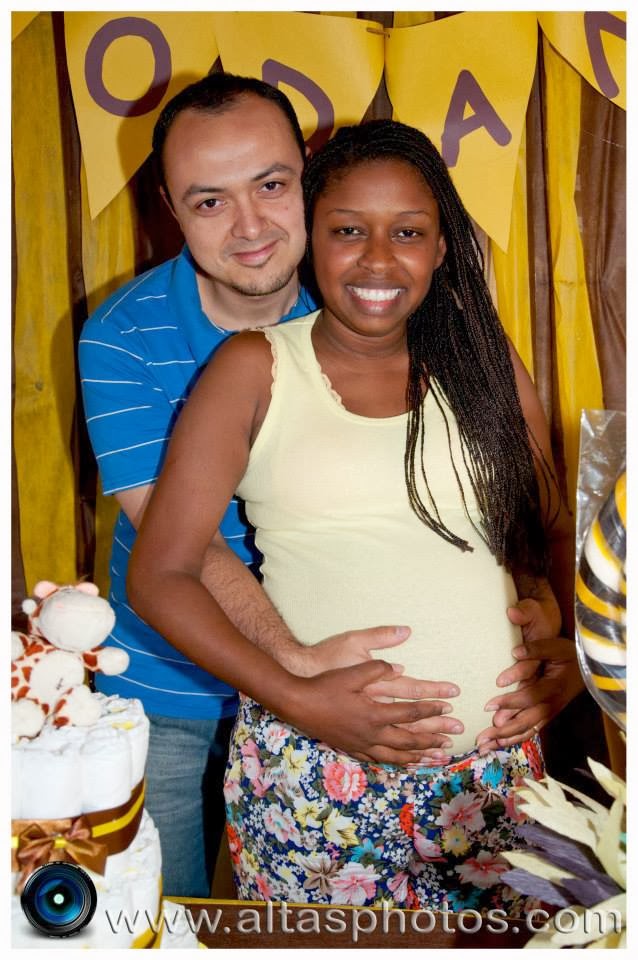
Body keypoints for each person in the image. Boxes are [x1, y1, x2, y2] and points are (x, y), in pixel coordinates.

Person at [127, 119, 583, 913]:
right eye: (347, 231)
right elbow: (160, 574)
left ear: (441, 249)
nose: (378, 259)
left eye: (407, 232)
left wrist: (573, 655)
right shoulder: (255, 367)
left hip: (496, 782)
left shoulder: (484, 362)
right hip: (317, 780)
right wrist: (296, 696)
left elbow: (550, 529)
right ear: (312, 238)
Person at [80, 75, 482, 897]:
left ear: (309, 174)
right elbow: (180, 546)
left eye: (270, 185)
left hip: (345, 692)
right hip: (170, 682)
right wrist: (294, 673)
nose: (252, 227)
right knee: (163, 915)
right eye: (210, 202)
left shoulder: (374, 297)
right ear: (170, 208)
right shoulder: (119, 335)